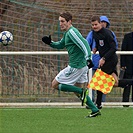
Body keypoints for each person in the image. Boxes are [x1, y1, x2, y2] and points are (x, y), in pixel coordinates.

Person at [42, 12, 101, 117]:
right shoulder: (67, 33)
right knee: (77, 92)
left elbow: (85, 44)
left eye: (63, 21)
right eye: (59, 21)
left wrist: (88, 58)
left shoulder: (72, 32)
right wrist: (50, 43)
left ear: (69, 22)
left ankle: (82, 92)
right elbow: (60, 45)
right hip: (81, 66)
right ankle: (94, 109)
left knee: (54, 84)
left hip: (76, 66)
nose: (60, 24)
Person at [86, 16, 118, 105]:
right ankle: (98, 104)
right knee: (113, 82)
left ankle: (98, 104)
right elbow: (102, 45)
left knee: (99, 82)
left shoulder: (107, 33)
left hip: (110, 60)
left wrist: (103, 58)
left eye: (96, 24)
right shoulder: (94, 33)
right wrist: (96, 48)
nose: (94, 26)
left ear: (100, 24)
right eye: (92, 25)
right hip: (104, 60)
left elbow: (113, 48)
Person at [120, 32, 133, 106]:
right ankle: (125, 102)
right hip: (128, 65)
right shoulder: (127, 37)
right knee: (127, 83)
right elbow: (123, 50)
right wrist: (123, 64)